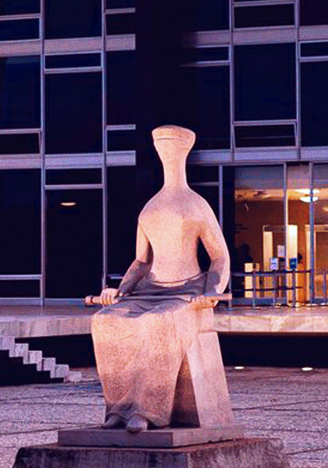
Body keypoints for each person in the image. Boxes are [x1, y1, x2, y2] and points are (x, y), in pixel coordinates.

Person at [85, 124, 233, 432]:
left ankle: (149, 411)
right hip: (148, 291)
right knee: (105, 321)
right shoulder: (150, 207)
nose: (166, 154)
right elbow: (141, 261)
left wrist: (211, 291)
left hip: (186, 293)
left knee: (159, 322)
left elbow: (219, 256)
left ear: (184, 152)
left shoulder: (196, 204)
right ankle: (119, 408)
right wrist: (121, 291)